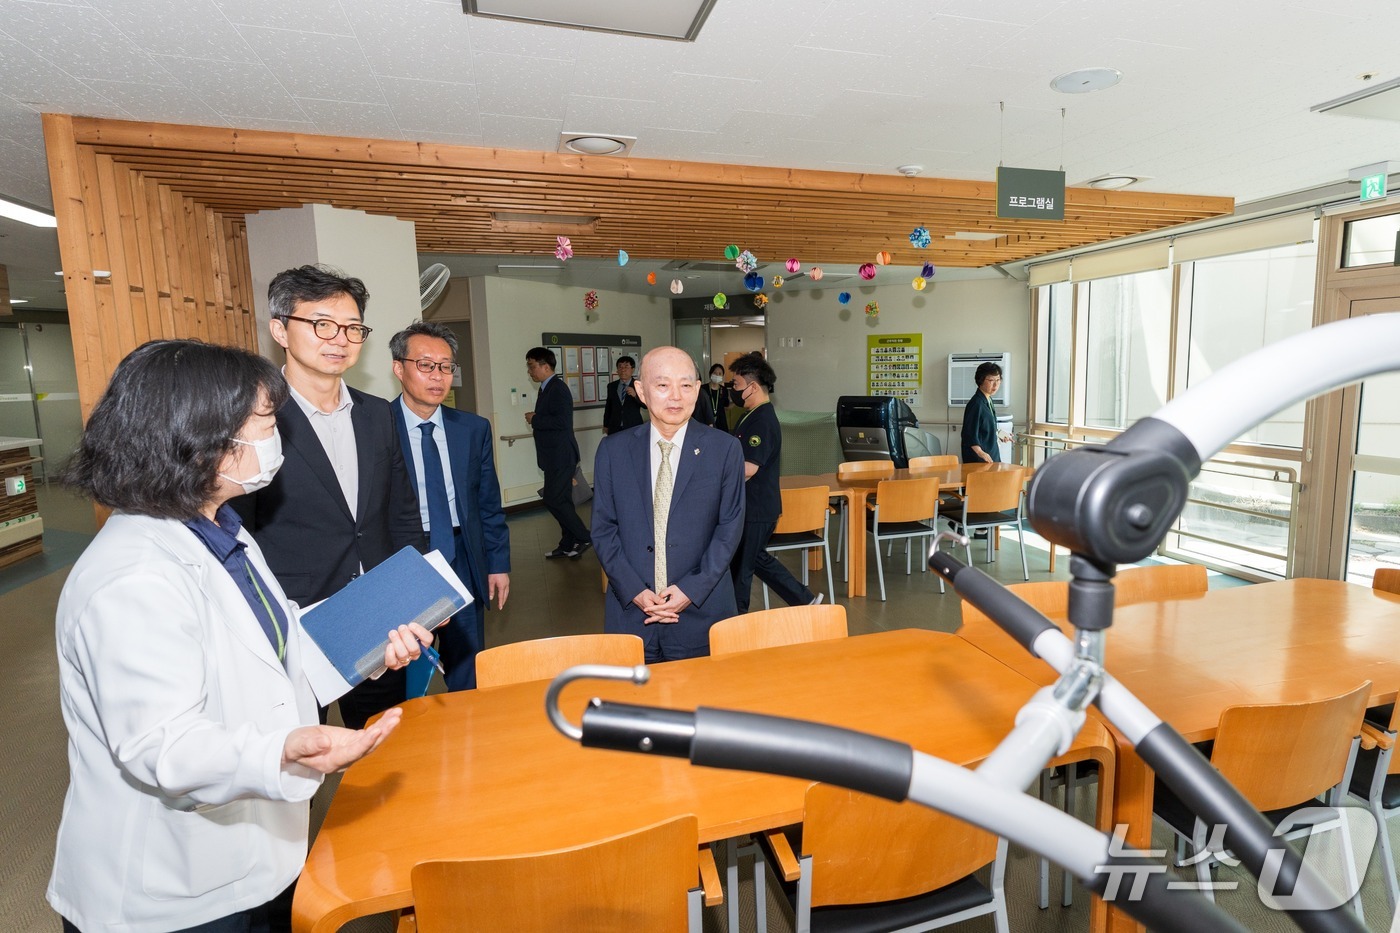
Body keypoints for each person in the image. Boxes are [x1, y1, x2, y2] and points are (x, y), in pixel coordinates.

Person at [48, 339, 430, 933]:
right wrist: (284, 749)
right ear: (201, 441)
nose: (277, 435)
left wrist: (372, 639)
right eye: (266, 420)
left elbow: (273, 648)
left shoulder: (220, 529)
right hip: (173, 893)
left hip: (253, 859)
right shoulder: (133, 576)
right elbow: (164, 747)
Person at [232, 264, 424, 730]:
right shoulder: (253, 420)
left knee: (382, 752)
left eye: (353, 328)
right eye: (322, 324)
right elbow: (236, 532)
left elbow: (401, 514)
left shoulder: (378, 415)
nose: (340, 338)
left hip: (377, 619)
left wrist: (412, 598)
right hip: (293, 624)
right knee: (297, 771)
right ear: (280, 329)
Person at [592, 347, 746, 662]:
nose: (676, 396)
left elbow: (729, 528)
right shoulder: (613, 451)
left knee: (704, 705)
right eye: (663, 385)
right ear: (640, 391)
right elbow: (603, 529)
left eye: (686, 385)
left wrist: (690, 589)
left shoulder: (724, 449)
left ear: (698, 389)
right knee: (636, 708)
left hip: (703, 612)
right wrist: (634, 590)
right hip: (631, 613)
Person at [390, 320, 510, 691]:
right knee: (406, 670)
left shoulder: (472, 429)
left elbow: (488, 502)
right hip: (405, 558)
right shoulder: (376, 426)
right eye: (425, 365)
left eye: (446, 366)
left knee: (467, 666)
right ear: (399, 368)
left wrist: (498, 564)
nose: (438, 376)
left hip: (462, 555)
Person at [728, 352, 821, 613]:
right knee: (755, 560)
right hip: (753, 507)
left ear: (752, 387)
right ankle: (806, 600)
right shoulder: (751, 415)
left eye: (736, 385)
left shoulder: (762, 420)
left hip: (756, 509)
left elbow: (748, 468)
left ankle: (736, 621)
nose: (733, 391)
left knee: (742, 570)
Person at [525, 346, 591, 559]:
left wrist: (535, 419)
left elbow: (562, 422)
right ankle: (567, 543)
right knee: (561, 500)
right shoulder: (546, 388)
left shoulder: (558, 388)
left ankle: (583, 536)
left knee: (554, 500)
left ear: (545, 366)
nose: (530, 371)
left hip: (561, 455)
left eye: (532, 366)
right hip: (553, 455)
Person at [960, 361, 1004, 464]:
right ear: (981, 380)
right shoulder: (976, 403)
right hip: (980, 459)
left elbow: (985, 429)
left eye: (998, 380)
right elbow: (969, 434)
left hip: (991, 454)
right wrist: (981, 453)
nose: (996, 384)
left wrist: (1000, 435)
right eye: (991, 380)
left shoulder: (988, 399)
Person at [601, 354, 646, 434]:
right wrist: (606, 425)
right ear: (617, 370)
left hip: (633, 426)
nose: (623, 370)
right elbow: (608, 407)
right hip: (615, 427)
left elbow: (645, 405)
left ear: (632, 369)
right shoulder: (612, 386)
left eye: (626, 367)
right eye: (620, 367)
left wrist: (635, 395)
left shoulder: (639, 385)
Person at [695, 362, 729, 429]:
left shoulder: (724, 389)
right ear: (710, 374)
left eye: (720, 374)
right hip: (705, 421)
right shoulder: (702, 389)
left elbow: (726, 405)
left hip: (721, 422)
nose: (717, 375)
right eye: (715, 373)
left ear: (722, 376)